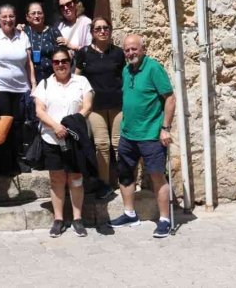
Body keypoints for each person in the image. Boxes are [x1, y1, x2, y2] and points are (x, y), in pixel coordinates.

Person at [108, 34, 176, 239]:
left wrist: (165, 128)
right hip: (128, 134)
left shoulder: (153, 68)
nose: (130, 53)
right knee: (125, 174)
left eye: (134, 49)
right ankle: (130, 214)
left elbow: (170, 98)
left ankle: (164, 220)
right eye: (127, 50)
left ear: (143, 49)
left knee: (157, 176)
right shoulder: (126, 70)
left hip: (151, 135)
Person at [32, 47, 93, 238]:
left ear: (70, 62)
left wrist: (71, 124)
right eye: (56, 62)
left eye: (64, 61)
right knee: (57, 179)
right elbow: (39, 111)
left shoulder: (81, 81)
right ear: (52, 64)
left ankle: (77, 218)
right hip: (51, 138)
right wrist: (56, 126)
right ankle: (58, 219)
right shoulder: (44, 84)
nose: (60, 65)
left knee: (75, 178)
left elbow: (88, 106)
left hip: (75, 139)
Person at [0, 4, 35, 176]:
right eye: (4, 16)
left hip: (21, 88)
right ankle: (5, 164)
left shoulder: (22, 35)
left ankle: (17, 160)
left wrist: (33, 84)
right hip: (0, 88)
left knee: (18, 126)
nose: (8, 19)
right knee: (3, 125)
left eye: (11, 16)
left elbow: (29, 63)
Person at [75, 16, 125, 198]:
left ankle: (125, 181)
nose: (102, 31)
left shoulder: (118, 53)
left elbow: (126, 75)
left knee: (119, 144)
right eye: (98, 29)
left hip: (118, 105)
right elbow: (77, 78)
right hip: (95, 107)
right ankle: (104, 185)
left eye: (106, 28)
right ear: (92, 33)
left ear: (110, 31)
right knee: (102, 145)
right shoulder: (84, 53)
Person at [23, 1, 60, 84]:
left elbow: (63, 53)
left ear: (44, 15)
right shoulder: (23, 32)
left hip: (52, 79)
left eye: (39, 13)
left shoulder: (53, 31)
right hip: (28, 80)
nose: (36, 16)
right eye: (33, 13)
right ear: (27, 17)